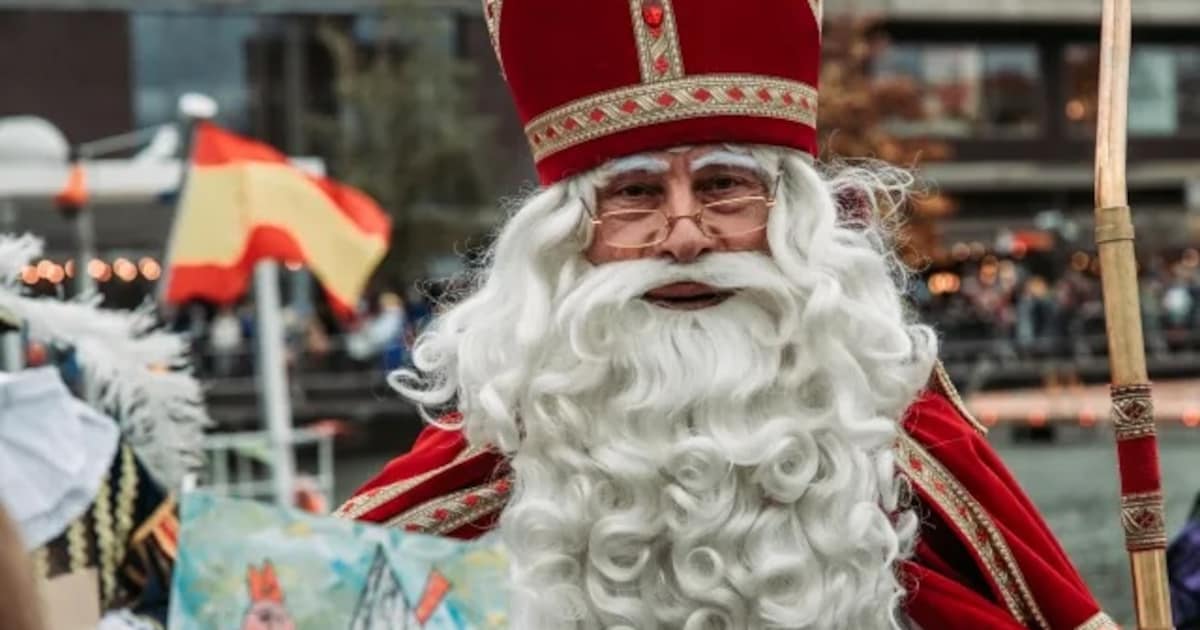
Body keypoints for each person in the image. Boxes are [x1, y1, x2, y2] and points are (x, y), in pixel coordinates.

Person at [337, 2, 1114, 628]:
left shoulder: (884, 424)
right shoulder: (515, 427)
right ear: (569, 237)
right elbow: (309, 589)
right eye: (636, 195)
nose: (683, 235)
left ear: (791, 218)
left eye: (722, 188)